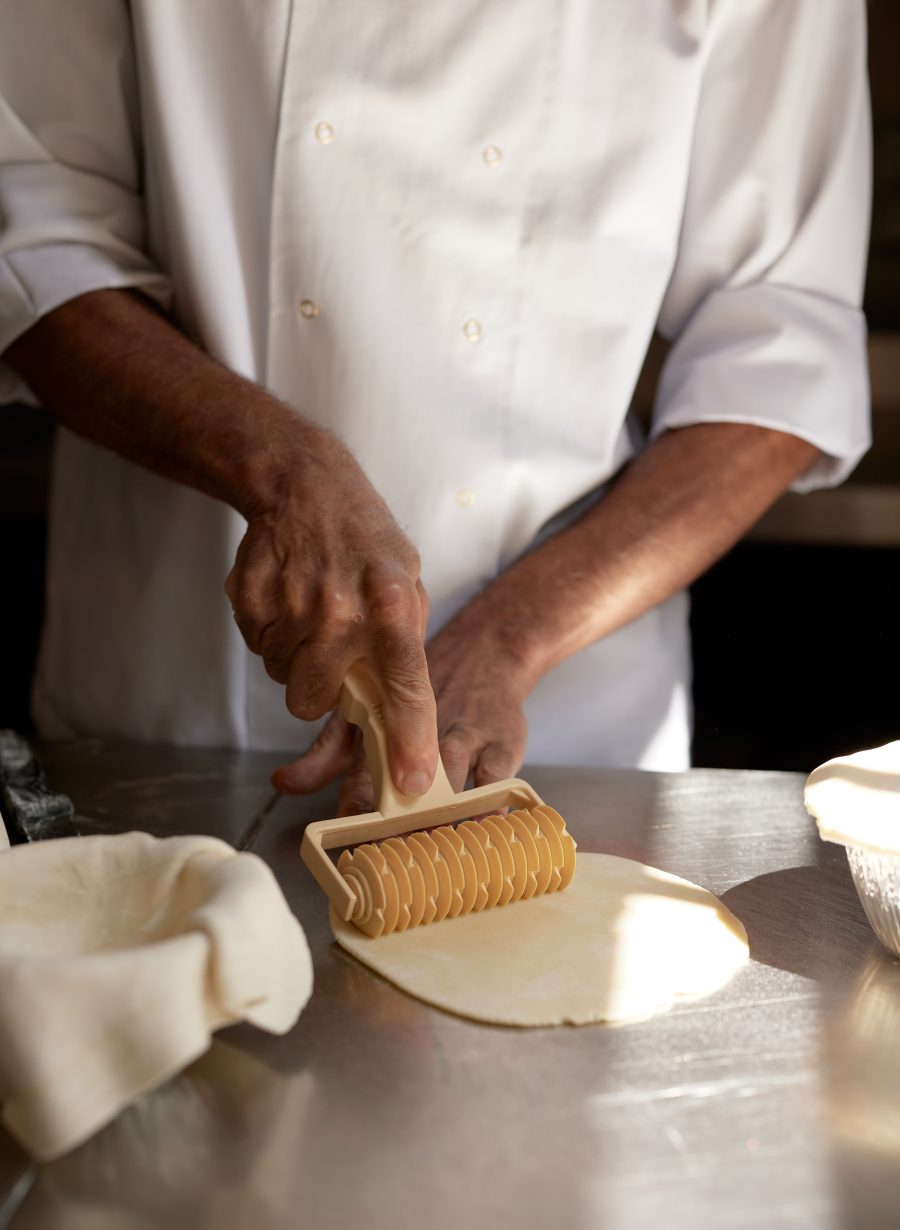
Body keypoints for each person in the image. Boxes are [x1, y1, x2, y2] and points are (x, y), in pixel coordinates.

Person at [0, 1, 870, 814]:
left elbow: (777, 351)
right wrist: (279, 465)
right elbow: (31, 229)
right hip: (170, 703)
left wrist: (508, 640)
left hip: (563, 728)